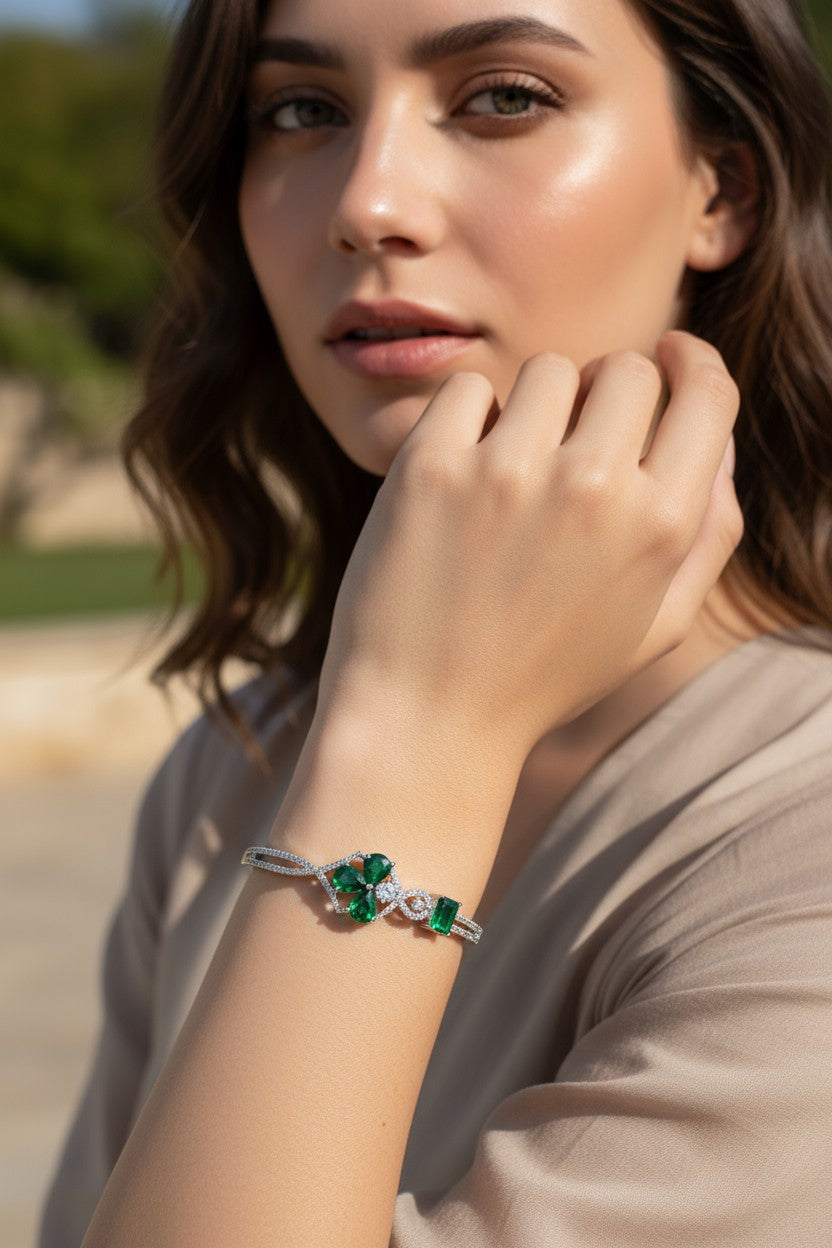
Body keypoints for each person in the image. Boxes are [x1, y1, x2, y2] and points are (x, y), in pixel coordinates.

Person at [38, 0, 832, 1244]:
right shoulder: (234, 773)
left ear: (718, 191)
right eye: (300, 111)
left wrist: (421, 734)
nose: (368, 203)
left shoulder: (800, 843)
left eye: (503, 96)